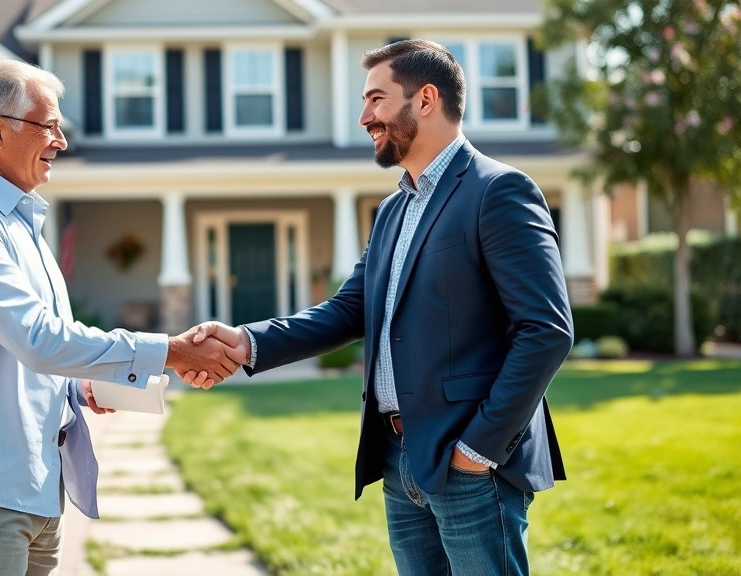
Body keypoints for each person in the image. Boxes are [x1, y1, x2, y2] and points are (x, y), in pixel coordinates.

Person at [182, 40, 573, 575]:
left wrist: (480, 449)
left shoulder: (498, 190)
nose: (364, 116)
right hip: (397, 458)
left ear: (426, 99)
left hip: (469, 462)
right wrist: (248, 342)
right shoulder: (394, 209)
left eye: (376, 99)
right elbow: (348, 310)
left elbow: (546, 330)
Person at [0, 60, 243, 576]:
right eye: (50, 125)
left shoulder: (19, 223)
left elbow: (24, 353)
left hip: (35, 489)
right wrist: (170, 351)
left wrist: (79, 391)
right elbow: (38, 338)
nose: (61, 141)